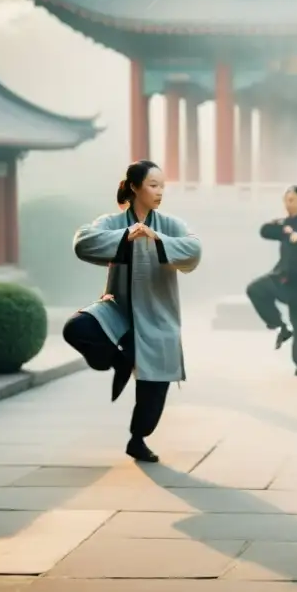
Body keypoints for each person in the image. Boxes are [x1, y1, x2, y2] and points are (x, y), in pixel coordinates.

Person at [63, 160, 202, 463]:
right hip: (118, 309)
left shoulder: (171, 224)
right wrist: (126, 235)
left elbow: (194, 250)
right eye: (153, 185)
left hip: (158, 317)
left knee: (153, 393)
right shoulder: (112, 222)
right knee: (76, 328)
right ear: (135, 187)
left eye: (163, 186)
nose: (160, 191)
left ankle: (137, 439)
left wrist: (157, 238)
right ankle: (119, 360)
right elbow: (82, 242)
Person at [245, 186, 297, 376]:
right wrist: (279, 226)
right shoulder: (283, 225)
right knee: (254, 289)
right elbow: (264, 231)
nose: (289, 204)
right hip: (281, 278)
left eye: (292, 200)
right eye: (286, 200)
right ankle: (280, 326)